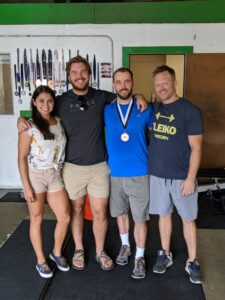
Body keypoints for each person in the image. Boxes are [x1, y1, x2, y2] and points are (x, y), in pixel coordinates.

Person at [18, 55, 147, 272]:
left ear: (89, 74)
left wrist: (141, 95)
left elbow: (124, 96)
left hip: (99, 167)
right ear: (69, 76)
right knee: (75, 210)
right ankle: (78, 249)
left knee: (100, 212)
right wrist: (20, 120)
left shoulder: (102, 97)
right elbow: (41, 111)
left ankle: (99, 251)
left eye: (83, 71)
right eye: (75, 72)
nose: (79, 76)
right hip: (72, 168)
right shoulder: (59, 101)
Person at [149, 65, 204, 284]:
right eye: (157, 84)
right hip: (158, 175)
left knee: (188, 219)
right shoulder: (154, 108)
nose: (161, 88)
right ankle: (165, 253)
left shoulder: (190, 111)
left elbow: (197, 147)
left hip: (182, 177)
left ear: (174, 82)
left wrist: (191, 178)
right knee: (163, 216)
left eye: (164, 83)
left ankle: (192, 261)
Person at [104, 68, 153, 279]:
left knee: (140, 218)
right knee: (120, 214)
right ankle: (126, 246)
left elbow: (159, 136)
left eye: (127, 81)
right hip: (115, 174)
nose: (123, 86)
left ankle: (140, 256)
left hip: (140, 173)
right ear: (113, 85)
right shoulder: (105, 110)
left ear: (132, 83)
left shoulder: (145, 109)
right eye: (119, 82)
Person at [18, 85, 71, 278]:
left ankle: (56, 252)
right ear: (34, 102)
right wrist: (26, 186)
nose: (46, 105)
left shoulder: (59, 121)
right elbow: (21, 158)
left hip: (55, 174)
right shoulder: (28, 126)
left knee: (65, 216)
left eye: (49, 100)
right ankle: (41, 260)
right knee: (37, 218)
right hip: (36, 176)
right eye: (41, 101)